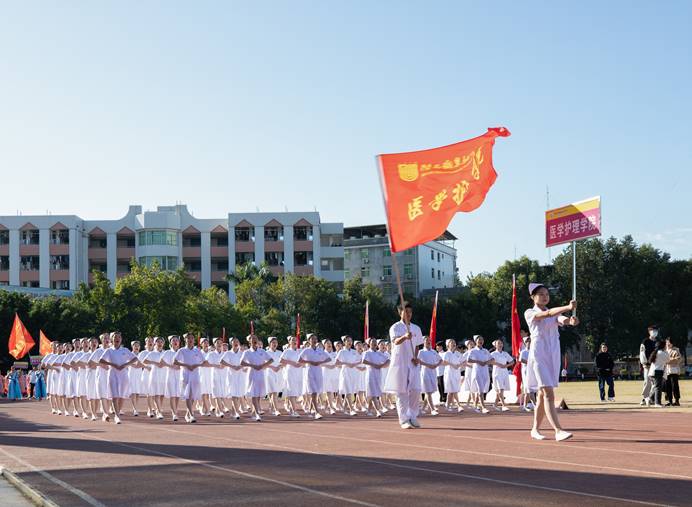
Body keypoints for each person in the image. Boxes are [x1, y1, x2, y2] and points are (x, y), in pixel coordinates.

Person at [525, 283, 578, 441]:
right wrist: (567, 306)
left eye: (547, 294)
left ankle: (535, 429)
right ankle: (558, 430)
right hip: (539, 355)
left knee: (542, 395)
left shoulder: (555, 313)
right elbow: (547, 314)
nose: (545, 296)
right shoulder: (529, 312)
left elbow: (562, 319)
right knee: (548, 392)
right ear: (533, 297)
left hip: (552, 355)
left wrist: (572, 321)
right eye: (541, 294)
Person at [384, 300, 424, 430]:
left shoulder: (416, 328)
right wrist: (405, 337)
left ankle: (412, 416)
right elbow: (395, 341)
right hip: (400, 362)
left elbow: (417, 346)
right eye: (405, 312)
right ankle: (404, 419)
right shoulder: (395, 327)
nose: (408, 314)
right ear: (399, 312)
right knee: (402, 391)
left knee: (416, 389)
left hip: (412, 362)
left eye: (410, 312)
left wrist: (416, 358)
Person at [100, 332, 137, 424]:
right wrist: (112, 364)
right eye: (115, 337)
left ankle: (118, 412)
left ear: (121, 339)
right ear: (112, 340)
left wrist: (126, 364)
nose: (117, 339)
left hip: (123, 374)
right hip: (113, 373)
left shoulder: (125, 350)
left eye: (119, 337)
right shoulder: (109, 351)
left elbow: (135, 359)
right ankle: (117, 415)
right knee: (114, 396)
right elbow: (101, 360)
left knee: (122, 396)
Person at [174, 332, 207, 423]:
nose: (190, 340)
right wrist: (186, 365)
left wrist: (196, 365)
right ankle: (192, 415)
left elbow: (204, 362)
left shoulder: (197, 350)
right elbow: (175, 361)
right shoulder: (182, 350)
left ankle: (187, 413)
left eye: (192, 338)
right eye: (188, 338)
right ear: (185, 340)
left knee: (192, 395)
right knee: (188, 394)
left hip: (195, 374)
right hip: (186, 374)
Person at [240, 334, 273, 422]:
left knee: (258, 394)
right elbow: (242, 363)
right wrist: (252, 365)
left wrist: (263, 365)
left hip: (261, 373)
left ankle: (254, 412)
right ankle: (257, 413)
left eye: (256, 339)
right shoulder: (247, 352)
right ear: (249, 341)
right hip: (252, 373)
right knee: (254, 393)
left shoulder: (262, 351)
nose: (254, 340)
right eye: (252, 339)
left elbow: (271, 360)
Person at [299, 333, 331, 420]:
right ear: (309, 341)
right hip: (310, 371)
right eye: (312, 339)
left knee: (316, 392)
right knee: (313, 392)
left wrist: (320, 362)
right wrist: (310, 362)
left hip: (318, 371)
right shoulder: (306, 350)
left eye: (315, 339)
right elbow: (299, 360)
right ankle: (317, 412)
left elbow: (329, 359)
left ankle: (310, 409)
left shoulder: (320, 350)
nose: (314, 340)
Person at [361, 337, 390, 417]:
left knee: (373, 392)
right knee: (373, 393)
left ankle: (369, 410)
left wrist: (381, 365)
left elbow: (388, 360)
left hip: (378, 374)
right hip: (370, 374)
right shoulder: (367, 353)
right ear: (369, 344)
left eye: (375, 342)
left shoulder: (379, 353)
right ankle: (378, 411)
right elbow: (363, 361)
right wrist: (374, 365)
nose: (374, 344)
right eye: (372, 342)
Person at [335, 335, 360, 416]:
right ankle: (351, 409)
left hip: (353, 372)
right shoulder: (342, 352)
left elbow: (360, 360)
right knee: (348, 390)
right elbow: (337, 362)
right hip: (345, 372)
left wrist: (354, 364)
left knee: (350, 390)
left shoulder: (354, 351)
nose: (350, 342)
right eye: (348, 341)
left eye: (351, 341)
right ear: (344, 342)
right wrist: (346, 363)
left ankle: (345, 408)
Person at [280, 336, 304, 417]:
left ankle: (291, 407)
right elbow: (281, 360)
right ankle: (294, 410)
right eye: (293, 340)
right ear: (289, 342)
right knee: (292, 391)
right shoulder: (287, 351)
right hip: (290, 373)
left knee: (297, 392)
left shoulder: (300, 351)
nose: (294, 341)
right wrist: (292, 363)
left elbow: (304, 360)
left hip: (299, 373)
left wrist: (300, 364)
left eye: (295, 340)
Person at [418, 336, 442, 415]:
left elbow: (440, 360)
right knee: (428, 391)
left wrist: (436, 365)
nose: (428, 342)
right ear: (423, 342)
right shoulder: (421, 352)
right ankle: (432, 409)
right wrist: (427, 365)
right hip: (425, 372)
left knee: (429, 391)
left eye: (429, 340)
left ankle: (423, 408)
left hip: (433, 372)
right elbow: (418, 361)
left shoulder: (433, 351)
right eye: (426, 340)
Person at [468, 335, 492, 414]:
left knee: (481, 389)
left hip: (485, 371)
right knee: (480, 389)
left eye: (482, 339)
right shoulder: (473, 350)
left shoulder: (485, 350)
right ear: (476, 341)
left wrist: (486, 362)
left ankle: (475, 404)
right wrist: (478, 361)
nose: (480, 341)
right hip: (477, 371)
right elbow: (469, 360)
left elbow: (492, 359)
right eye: (479, 340)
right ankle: (483, 407)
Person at [489, 339, 514, 411]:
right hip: (497, 372)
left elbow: (512, 361)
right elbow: (489, 361)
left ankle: (495, 404)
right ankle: (503, 405)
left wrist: (506, 366)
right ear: (495, 345)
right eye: (498, 343)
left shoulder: (505, 353)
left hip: (504, 372)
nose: (500, 345)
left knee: (501, 390)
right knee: (500, 389)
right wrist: (498, 364)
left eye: (501, 343)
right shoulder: (493, 354)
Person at [163, 335, 182, 421]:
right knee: (172, 395)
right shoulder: (167, 352)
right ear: (170, 342)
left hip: (179, 375)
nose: (175, 342)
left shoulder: (181, 352)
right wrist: (170, 366)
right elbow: (161, 361)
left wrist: (181, 366)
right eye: (173, 340)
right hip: (170, 375)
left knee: (177, 394)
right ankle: (174, 413)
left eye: (176, 340)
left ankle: (175, 410)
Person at [265, 336, 284, 416]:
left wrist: (279, 367)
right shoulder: (266, 353)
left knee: (274, 392)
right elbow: (263, 364)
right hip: (270, 373)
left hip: (279, 373)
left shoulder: (280, 352)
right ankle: (276, 409)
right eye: (273, 342)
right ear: (269, 344)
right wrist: (273, 367)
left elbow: (283, 362)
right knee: (273, 392)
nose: (275, 344)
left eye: (276, 342)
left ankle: (272, 407)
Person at [639, 325, 659, 406]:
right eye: (653, 330)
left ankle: (648, 398)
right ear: (649, 332)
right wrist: (644, 362)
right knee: (647, 382)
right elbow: (642, 353)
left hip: (656, 365)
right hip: (647, 365)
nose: (655, 332)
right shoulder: (645, 341)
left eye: (656, 331)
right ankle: (645, 397)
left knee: (656, 383)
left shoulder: (658, 342)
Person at [441, 339, 463, 412]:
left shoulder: (458, 353)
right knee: (453, 390)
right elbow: (444, 362)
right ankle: (459, 405)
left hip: (457, 373)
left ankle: (447, 405)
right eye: (451, 343)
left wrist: (459, 365)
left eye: (454, 342)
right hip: (449, 373)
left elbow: (464, 361)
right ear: (448, 345)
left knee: (452, 391)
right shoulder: (446, 353)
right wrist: (452, 365)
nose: (453, 344)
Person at [648, 340, 669, 408]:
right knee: (658, 388)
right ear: (663, 346)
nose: (666, 346)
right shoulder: (662, 353)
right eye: (665, 345)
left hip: (652, 372)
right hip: (657, 372)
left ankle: (650, 399)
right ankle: (657, 403)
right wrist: (666, 351)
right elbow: (668, 360)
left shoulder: (656, 352)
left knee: (656, 387)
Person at [664, 338, 682, 406]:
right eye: (666, 342)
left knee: (675, 386)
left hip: (674, 371)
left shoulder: (676, 350)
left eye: (669, 342)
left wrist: (667, 361)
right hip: (666, 371)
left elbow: (678, 359)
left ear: (672, 343)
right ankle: (670, 401)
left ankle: (677, 401)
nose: (668, 344)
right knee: (667, 387)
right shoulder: (664, 350)